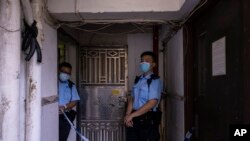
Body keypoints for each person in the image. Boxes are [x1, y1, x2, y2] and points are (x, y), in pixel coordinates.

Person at [124, 51, 163, 141]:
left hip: (148, 120)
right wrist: (128, 115)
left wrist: (132, 115)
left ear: (153, 64)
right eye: (142, 61)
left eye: (147, 61)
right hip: (134, 119)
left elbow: (152, 103)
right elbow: (132, 99)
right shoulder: (138, 80)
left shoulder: (154, 81)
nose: (143, 63)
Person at [58, 62, 80, 141]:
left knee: (62, 138)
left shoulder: (71, 85)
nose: (66, 74)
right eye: (64, 72)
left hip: (65, 117)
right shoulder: (52, 82)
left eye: (68, 73)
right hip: (51, 116)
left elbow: (75, 100)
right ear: (59, 70)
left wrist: (64, 107)